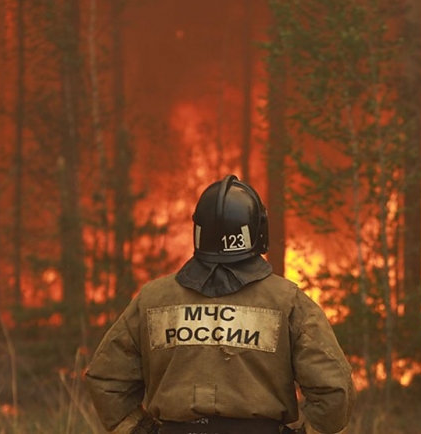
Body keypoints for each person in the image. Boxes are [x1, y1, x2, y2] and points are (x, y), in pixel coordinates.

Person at [85, 175, 356, 434]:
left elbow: (106, 379)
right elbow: (334, 389)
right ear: (257, 231)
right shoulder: (288, 301)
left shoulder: (152, 299)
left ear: (199, 232)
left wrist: (142, 430)